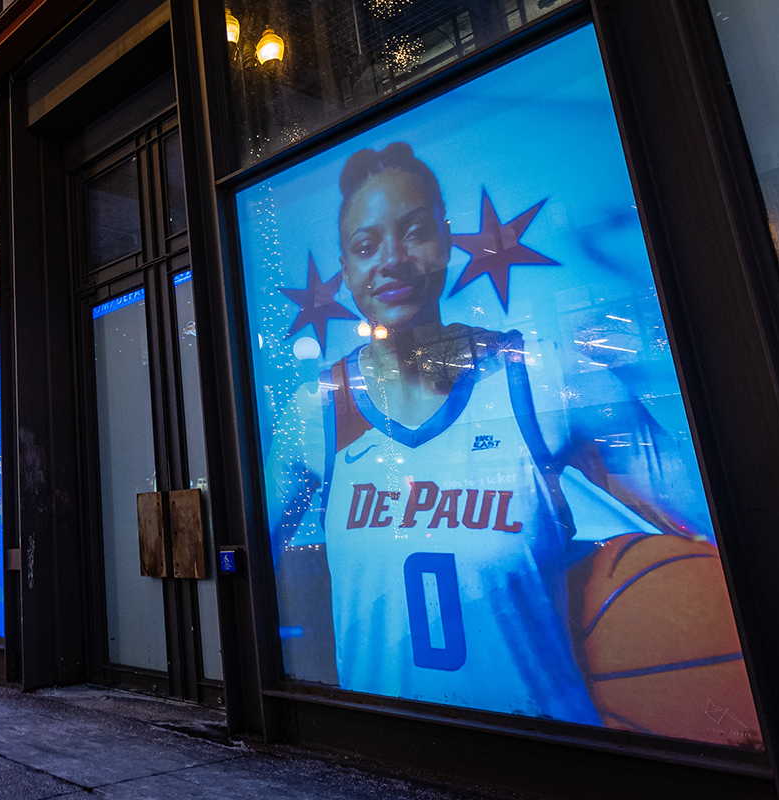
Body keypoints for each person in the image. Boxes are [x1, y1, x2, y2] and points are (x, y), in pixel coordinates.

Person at [265, 142, 715, 726]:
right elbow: (246, 562)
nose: (392, 259)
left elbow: (708, 512)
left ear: (447, 241)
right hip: (382, 757)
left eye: (414, 231)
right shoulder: (317, 411)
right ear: (347, 272)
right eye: (366, 246)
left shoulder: (539, 375)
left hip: (549, 752)